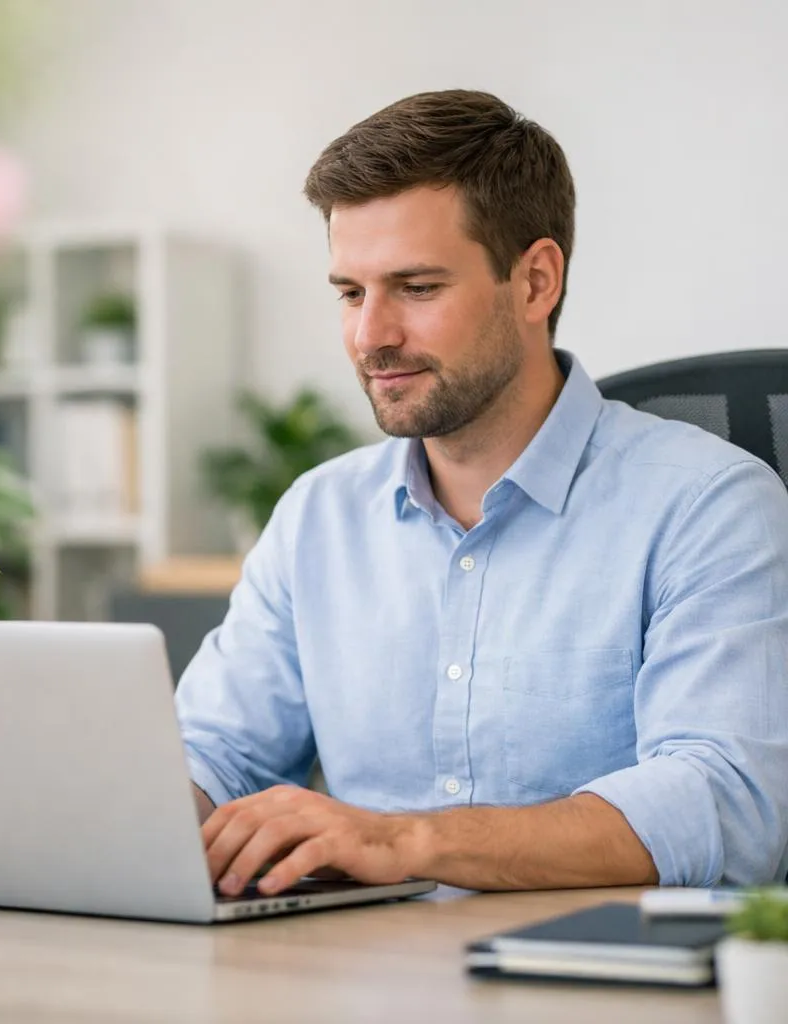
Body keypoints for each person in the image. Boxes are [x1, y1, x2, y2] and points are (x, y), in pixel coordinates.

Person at [175, 89, 788, 896]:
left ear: (535, 282)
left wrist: (409, 842)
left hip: (595, 986)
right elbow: (216, 754)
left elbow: (723, 802)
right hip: (354, 976)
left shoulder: (709, 504)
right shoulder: (318, 517)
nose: (370, 337)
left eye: (417, 288)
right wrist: (125, 812)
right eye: (351, 293)